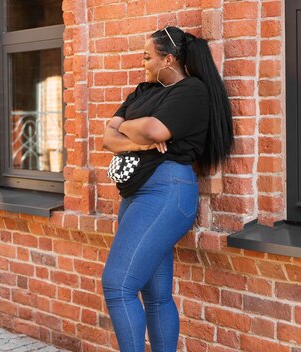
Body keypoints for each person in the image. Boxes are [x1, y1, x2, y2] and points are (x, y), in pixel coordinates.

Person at [101, 26, 233, 352]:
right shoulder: (143, 91)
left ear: (168, 59)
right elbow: (108, 136)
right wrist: (142, 140)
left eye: (148, 57)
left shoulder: (191, 91)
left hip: (166, 191)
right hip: (135, 194)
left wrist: (131, 128)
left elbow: (155, 128)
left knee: (118, 285)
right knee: (155, 294)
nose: (143, 63)